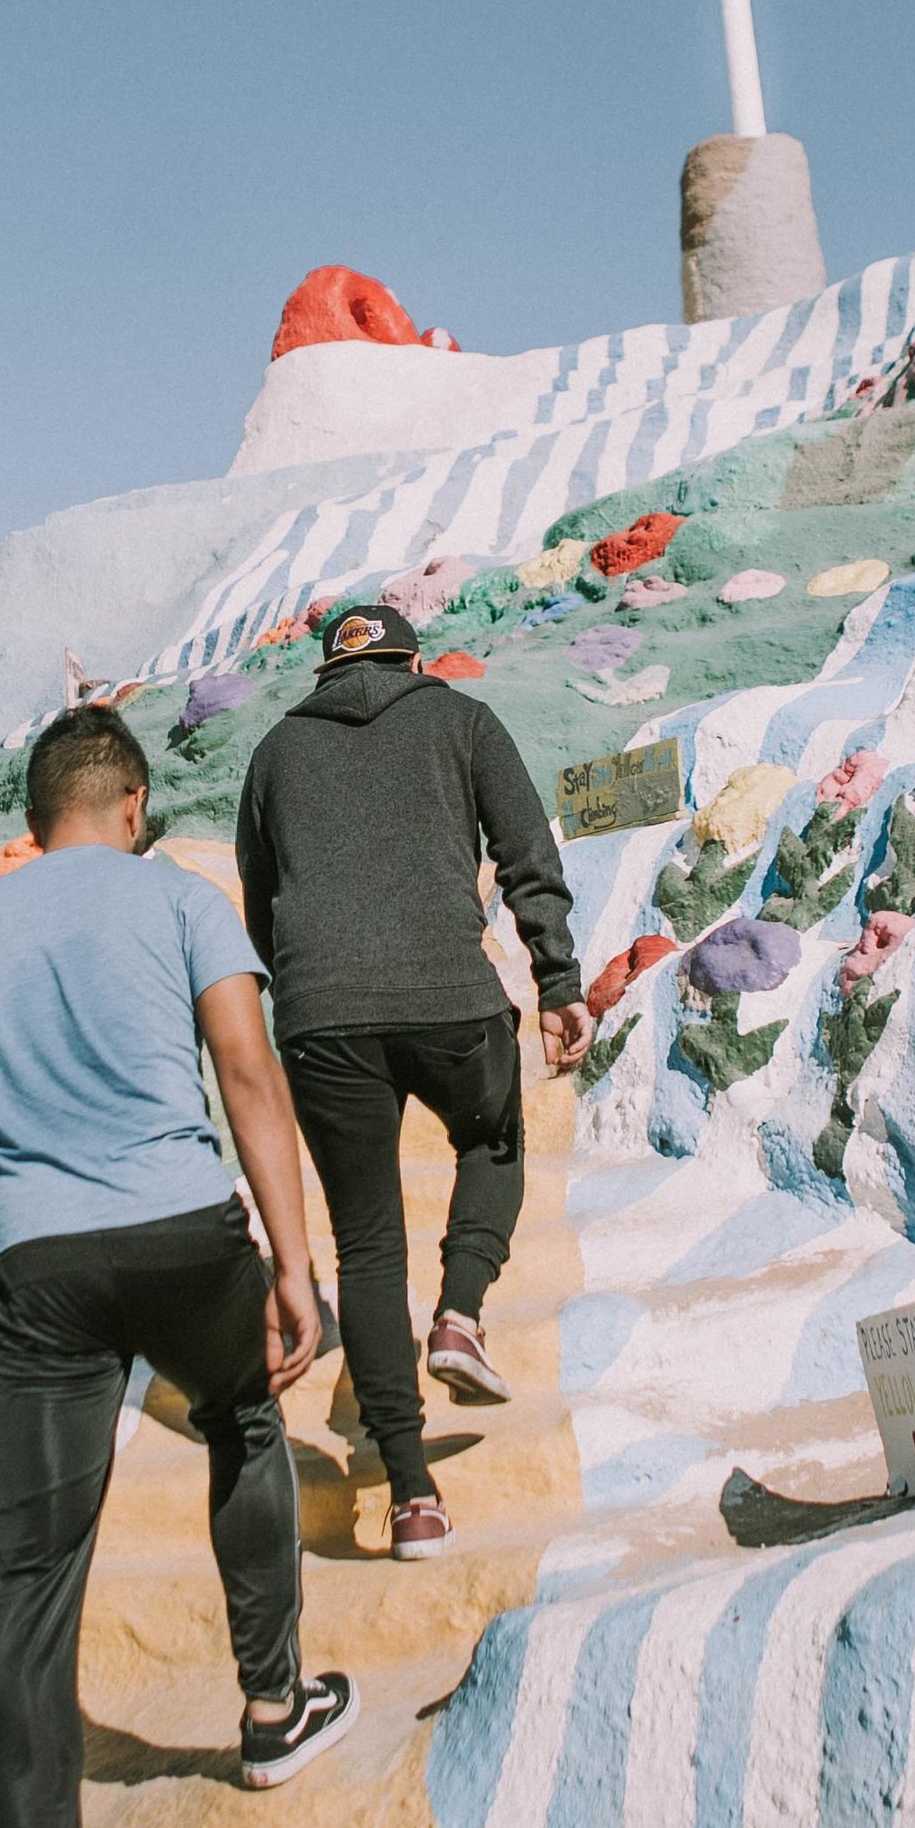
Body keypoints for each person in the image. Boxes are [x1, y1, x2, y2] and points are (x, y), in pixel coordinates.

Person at [0, 699, 353, 1828]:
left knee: (28, 1594)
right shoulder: (180, 897)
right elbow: (249, 1072)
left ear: (36, 818)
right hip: (181, 1231)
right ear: (134, 803)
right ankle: (271, 1707)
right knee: (243, 1411)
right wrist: (295, 1262)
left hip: (34, 1269)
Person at [234, 599, 590, 1563]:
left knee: (367, 1245)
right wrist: (558, 979)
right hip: (446, 996)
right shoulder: (460, 718)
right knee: (491, 1133)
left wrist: (313, 988)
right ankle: (462, 1313)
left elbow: (261, 906)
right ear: (414, 660)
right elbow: (528, 855)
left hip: (321, 1019)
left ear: (324, 672)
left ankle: (410, 1494)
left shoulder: (273, 753)